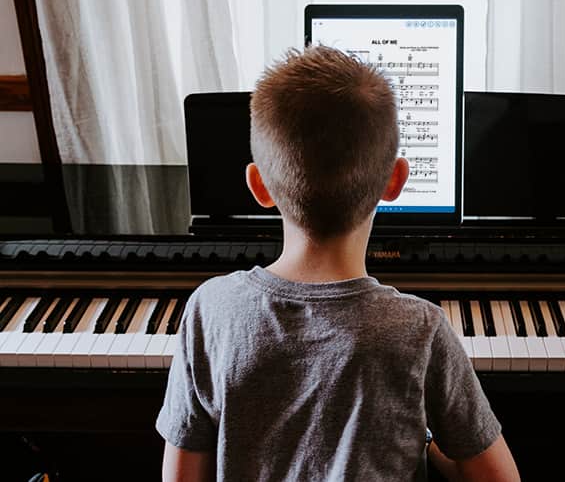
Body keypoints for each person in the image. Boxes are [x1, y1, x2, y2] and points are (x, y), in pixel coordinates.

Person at [156, 45, 520, 482]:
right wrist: (426, 443)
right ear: (395, 181)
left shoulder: (209, 308)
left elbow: (179, 476)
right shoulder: (420, 328)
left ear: (258, 186)